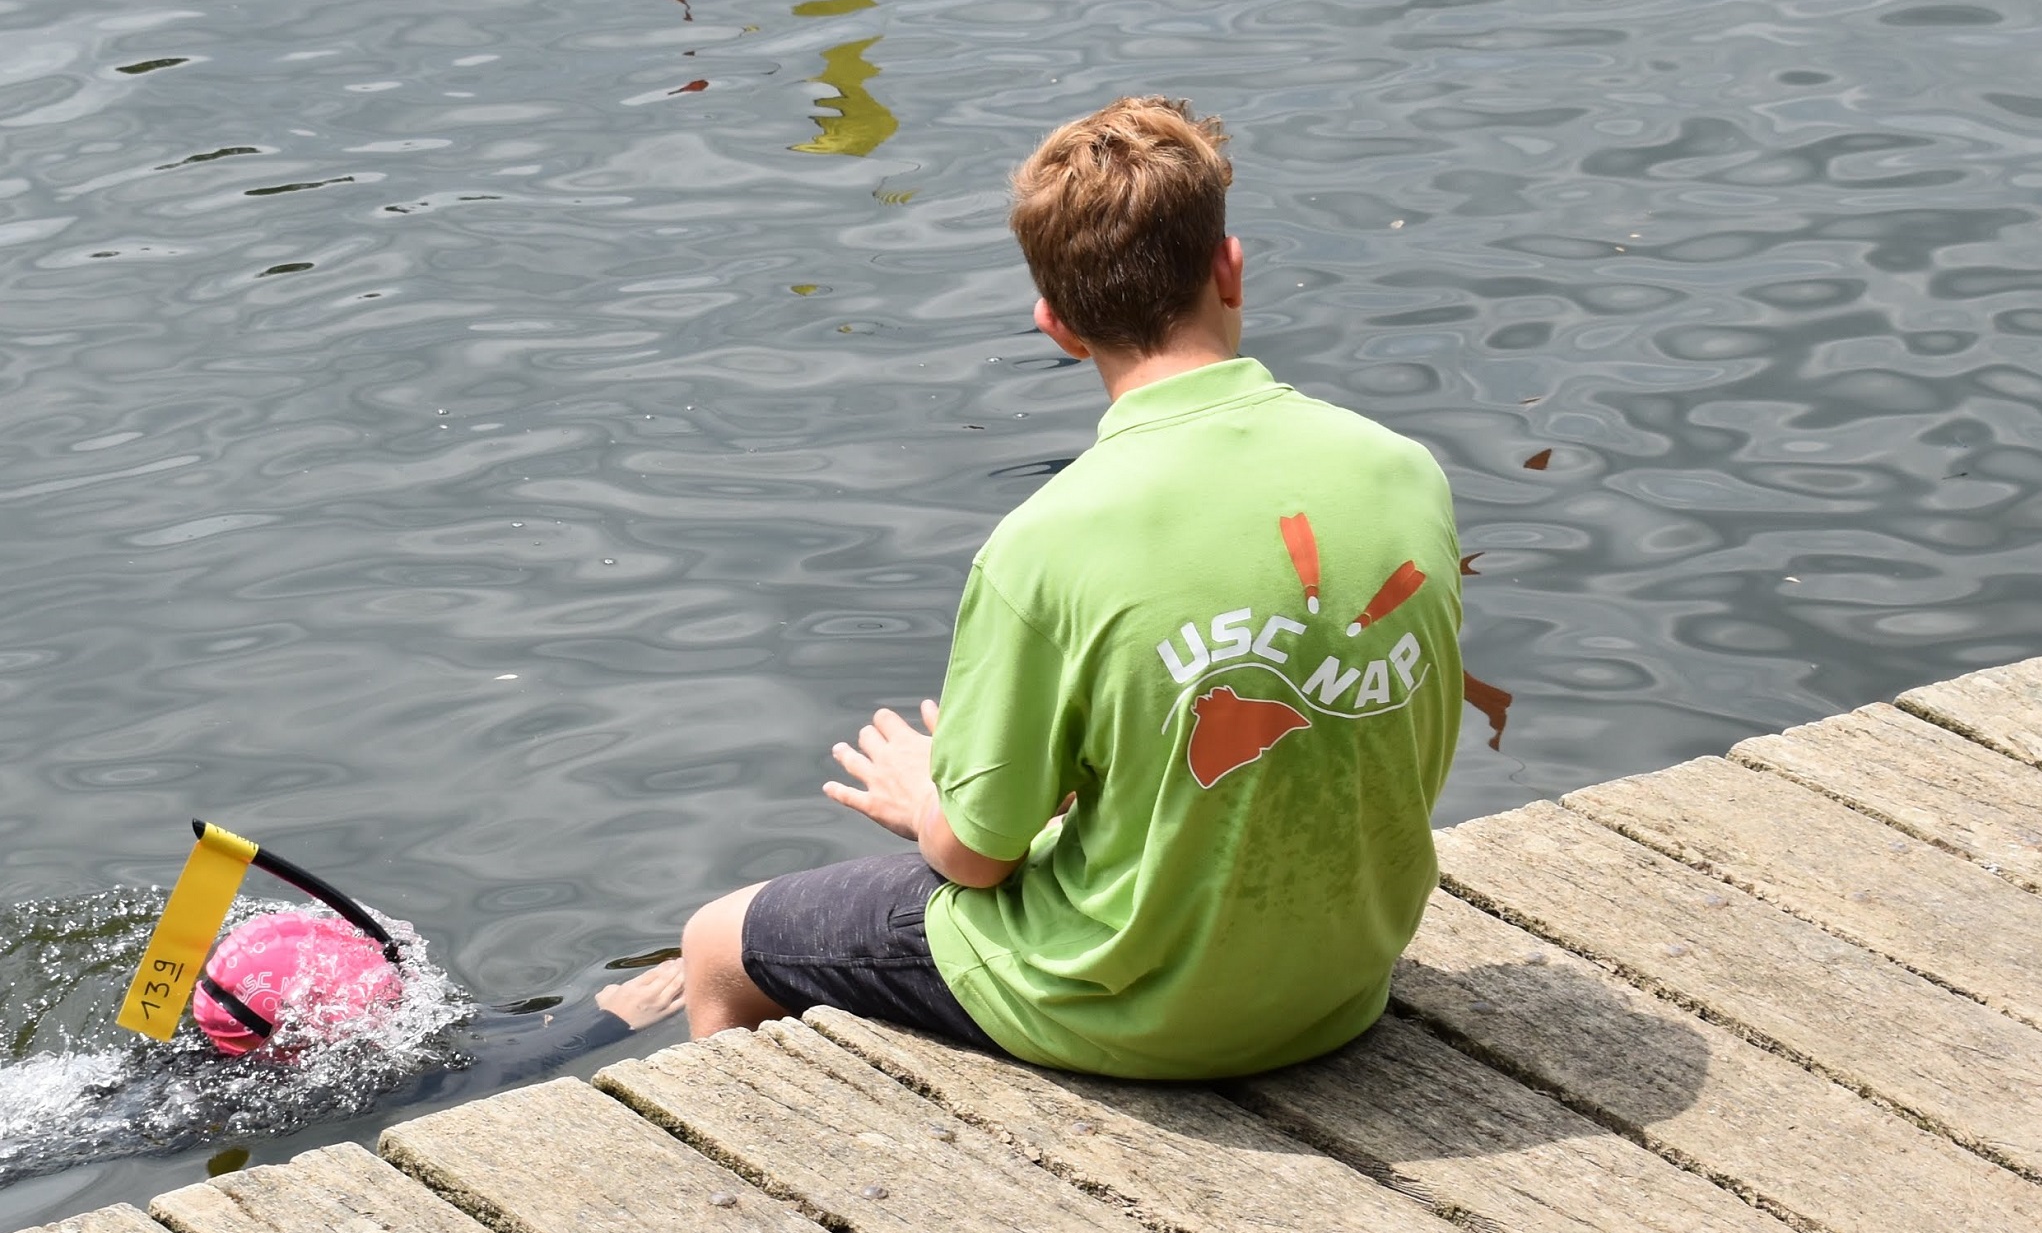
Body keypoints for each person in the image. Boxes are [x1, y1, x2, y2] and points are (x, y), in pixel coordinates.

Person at [596, 97, 1464, 1078]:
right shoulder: (1403, 470)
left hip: (1142, 1016)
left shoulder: (1044, 545)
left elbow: (973, 858)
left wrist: (928, 794)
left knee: (717, 942)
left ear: (1056, 324)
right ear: (1230, 266)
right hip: (1340, 987)